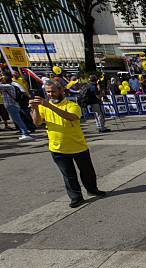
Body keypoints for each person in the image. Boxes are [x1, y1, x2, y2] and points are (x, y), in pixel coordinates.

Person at [29, 80, 106, 208]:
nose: (50, 94)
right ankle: (76, 197)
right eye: (47, 92)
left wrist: (49, 106)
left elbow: (71, 117)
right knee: (68, 175)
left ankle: (92, 189)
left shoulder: (71, 105)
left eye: (53, 91)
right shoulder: (44, 106)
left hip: (78, 146)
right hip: (57, 147)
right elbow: (36, 123)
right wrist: (36, 109)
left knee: (87, 172)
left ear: (61, 91)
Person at [0, 74, 33, 140]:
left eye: (2, 79)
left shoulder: (8, 86)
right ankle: (25, 131)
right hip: (13, 105)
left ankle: (25, 133)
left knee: (18, 120)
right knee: (18, 120)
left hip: (11, 105)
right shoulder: (11, 85)